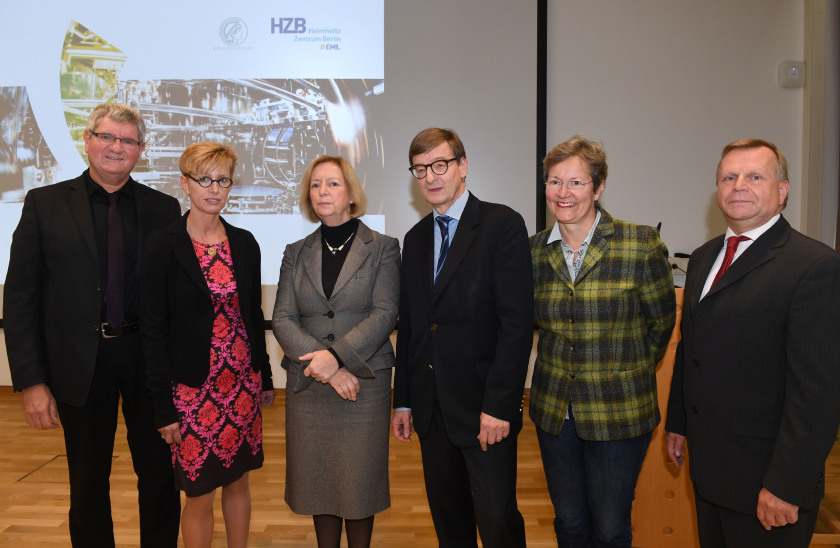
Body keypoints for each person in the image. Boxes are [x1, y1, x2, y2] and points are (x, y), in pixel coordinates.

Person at [3, 103, 181, 547]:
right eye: (106, 136)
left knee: (159, 478)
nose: (115, 147)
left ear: (141, 150)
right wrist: (31, 382)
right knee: (86, 482)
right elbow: (20, 298)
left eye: (127, 140)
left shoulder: (163, 209)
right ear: (88, 140)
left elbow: (177, 297)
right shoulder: (44, 204)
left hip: (149, 362)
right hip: (80, 364)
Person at [665, 138, 840, 547]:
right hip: (710, 470)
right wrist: (679, 423)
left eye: (754, 176)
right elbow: (692, 349)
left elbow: (818, 395)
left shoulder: (814, 267)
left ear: (782, 190)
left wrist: (787, 485)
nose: (738, 185)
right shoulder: (706, 257)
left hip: (767, 481)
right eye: (729, 177)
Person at [529, 135, 676, 547]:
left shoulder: (639, 245)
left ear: (599, 187)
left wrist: (619, 373)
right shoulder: (534, 253)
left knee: (611, 527)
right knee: (570, 522)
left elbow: (660, 326)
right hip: (555, 411)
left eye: (576, 182)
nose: (563, 193)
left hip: (620, 410)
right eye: (554, 182)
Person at [391, 128, 534, 548]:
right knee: (449, 524)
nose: (431, 177)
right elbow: (414, 327)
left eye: (440, 165)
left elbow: (516, 325)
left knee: (497, 522)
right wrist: (404, 399)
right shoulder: (416, 240)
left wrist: (499, 406)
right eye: (421, 169)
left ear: (462, 166)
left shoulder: (501, 225)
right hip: (433, 413)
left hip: (484, 413)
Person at [140, 142, 275, 548]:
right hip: (192, 391)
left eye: (223, 180)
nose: (214, 188)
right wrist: (162, 406)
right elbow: (153, 331)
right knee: (198, 493)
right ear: (185, 183)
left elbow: (253, 315)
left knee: (238, 483)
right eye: (204, 179)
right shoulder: (162, 245)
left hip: (241, 387)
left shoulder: (245, 242)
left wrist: (265, 375)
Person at [272, 156, 399, 548]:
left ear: (351, 194)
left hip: (364, 383)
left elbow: (385, 313)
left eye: (332, 184)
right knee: (318, 482)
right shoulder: (296, 251)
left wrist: (338, 358)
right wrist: (325, 366)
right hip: (310, 386)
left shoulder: (382, 247)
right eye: (315, 185)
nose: (323, 192)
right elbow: (282, 318)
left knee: (360, 484)